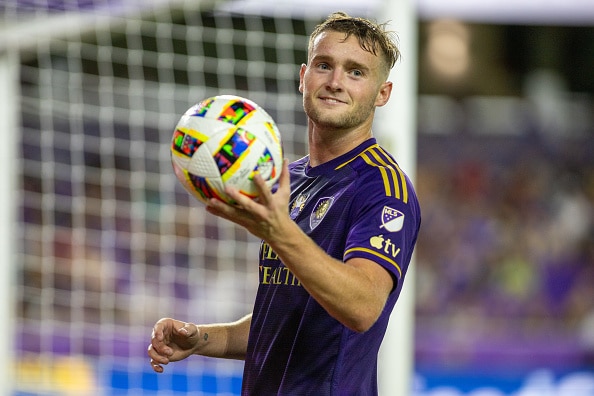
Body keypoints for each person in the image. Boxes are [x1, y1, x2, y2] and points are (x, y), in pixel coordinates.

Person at [148, 11, 421, 395]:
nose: (336, 82)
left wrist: (279, 231)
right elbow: (282, 322)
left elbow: (362, 307)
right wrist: (204, 339)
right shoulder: (282, 178)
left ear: (382, 94)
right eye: (324, 65)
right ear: (303, 77)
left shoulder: (383, 188)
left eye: (356, 72)